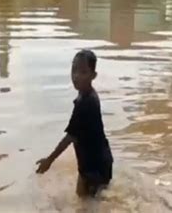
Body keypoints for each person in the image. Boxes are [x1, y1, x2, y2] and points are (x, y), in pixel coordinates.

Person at [35, 49, 113, 197]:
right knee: (90, 202)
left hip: (93, 166)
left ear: (93, 76)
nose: (76, 76)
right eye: (74, 70)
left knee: (84, 204)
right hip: (100, 160)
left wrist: (49, 161)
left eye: (83, 72)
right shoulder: (87, 95)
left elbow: (71, 137)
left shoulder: (86, 102)